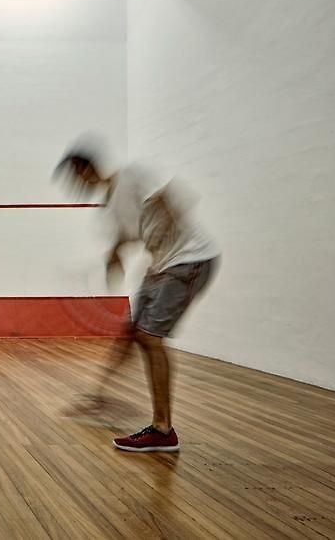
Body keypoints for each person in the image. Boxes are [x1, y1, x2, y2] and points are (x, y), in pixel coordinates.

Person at [56, 140, 219, 452]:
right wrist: (114, 254)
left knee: (150, 337)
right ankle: (99, 397)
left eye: (74, 176)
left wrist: (167, 227)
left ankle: (163, 430)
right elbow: (129, 233)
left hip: (191, 259)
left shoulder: (131, 175)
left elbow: (174, 195)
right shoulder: (110, 206)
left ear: (85, 169)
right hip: (162, 266)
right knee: (131, 332)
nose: (75, 185)